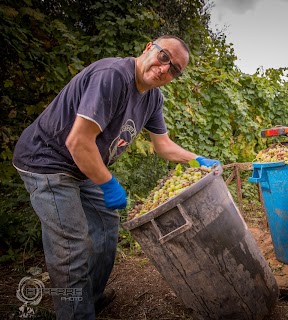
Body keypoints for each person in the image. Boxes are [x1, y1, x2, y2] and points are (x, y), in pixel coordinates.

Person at [12, 35, 220, 319]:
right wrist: (108, 182)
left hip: (81, 165)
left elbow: (164, 146)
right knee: (72, 247)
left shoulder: (152, 98)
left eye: (174, 70)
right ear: (149, 48)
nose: (164, 69)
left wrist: (197, 160)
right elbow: (78, 142)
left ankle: (90, 299)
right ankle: (75, 312)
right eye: (163, 57)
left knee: (106, 226)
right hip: (47, 161)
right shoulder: (113, 76)